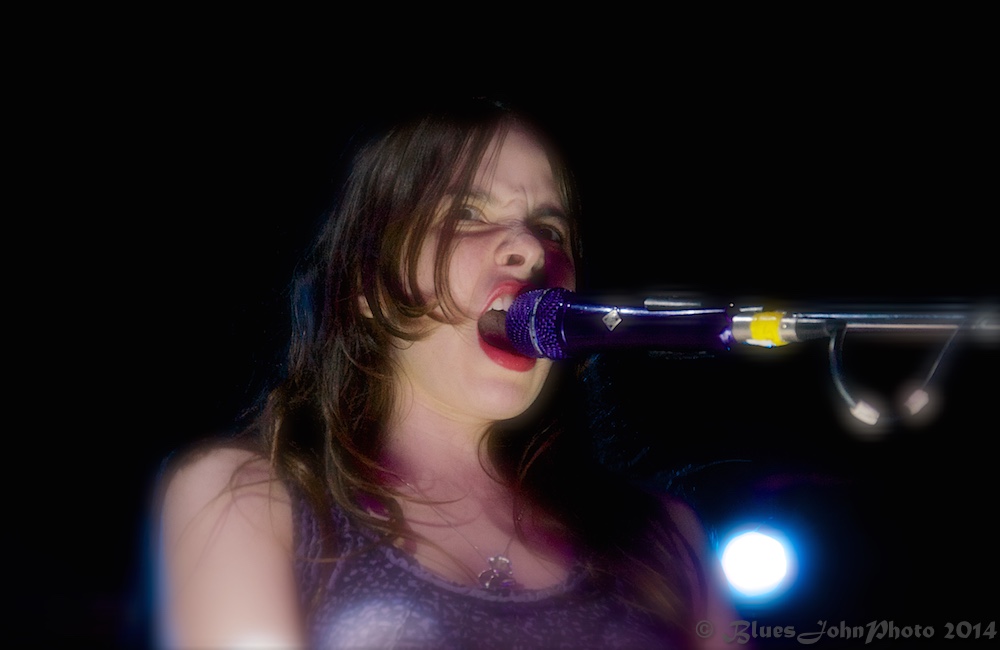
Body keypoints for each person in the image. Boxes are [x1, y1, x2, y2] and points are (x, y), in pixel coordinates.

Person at [155, 98, 736, 649]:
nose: (531, 250)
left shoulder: (666, 537)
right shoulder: (249, 498)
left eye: (551, 230)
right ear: (367, 284)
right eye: (466, 214)